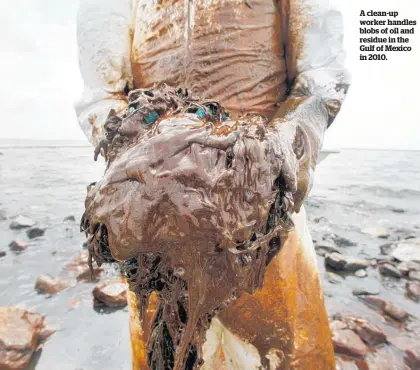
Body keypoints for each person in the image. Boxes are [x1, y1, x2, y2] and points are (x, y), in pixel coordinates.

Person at [75, 0, 350, 368]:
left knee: (280, 350)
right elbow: (103, 94)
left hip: (262, 214)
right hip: (156, 226)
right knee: (167, 349)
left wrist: (277, 152)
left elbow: (319, 79)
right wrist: (137, 151)